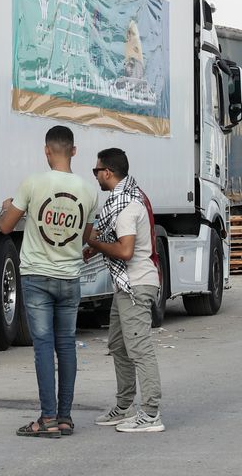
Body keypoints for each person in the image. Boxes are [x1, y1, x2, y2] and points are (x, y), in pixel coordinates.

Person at [0, 125, 98, 437]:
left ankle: (47, 418)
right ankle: (65, 417)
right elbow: (87, 236)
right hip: (69, 278)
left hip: (37, 276)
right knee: (66, 344)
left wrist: (7, 207)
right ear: (74, 151)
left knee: (43, 345)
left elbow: (4, 227)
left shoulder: (32, 184)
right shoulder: (89, 190)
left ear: (46, 150)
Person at [86, 148, 164, 434]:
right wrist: (92, 248)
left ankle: (151, 413)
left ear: (107, 172)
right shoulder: (125, 199)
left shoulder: (126, 205)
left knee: (139, 349)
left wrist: (94, 244)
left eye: (96, 170)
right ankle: (125, 405)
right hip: (125, 285)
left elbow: (125, 250)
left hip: (137, 284)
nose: (95, 175)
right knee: (118, 345)